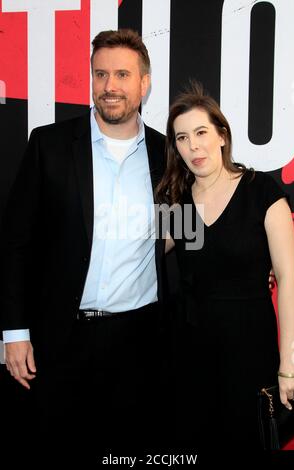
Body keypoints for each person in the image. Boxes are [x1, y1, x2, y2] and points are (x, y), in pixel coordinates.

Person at [1, 29, 168, 462]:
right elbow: (16, 243)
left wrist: (244, 264)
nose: (110, 86)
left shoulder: (167, 156)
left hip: (138, 341)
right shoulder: (49, 145)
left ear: (144, 83)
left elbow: (186, 237)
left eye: (122, 74)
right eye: (100, 74)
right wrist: (15, 333)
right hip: (60, 338)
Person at [156, 82, 294, 450]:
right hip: (191, 360)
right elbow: (140, 251)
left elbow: (288, 279)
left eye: (201, 132)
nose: (194, 146)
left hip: (250, 356)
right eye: (183, 138)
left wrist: (289, 365)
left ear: (222, 136)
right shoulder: (181, 207)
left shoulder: (260, 192)